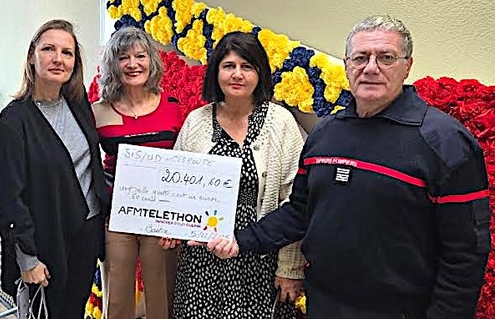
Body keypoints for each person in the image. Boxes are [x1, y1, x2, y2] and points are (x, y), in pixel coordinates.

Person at [207, 16, 491, 319]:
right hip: (324, 305)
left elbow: (465, 253)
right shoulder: (326, 133)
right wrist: (240, 240)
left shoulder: (445, 142)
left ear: (407, 66)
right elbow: (301, 211)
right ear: (347, 65)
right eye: (360, 58)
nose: (371, 68)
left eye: (386, 57)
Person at [161, 31, 305, 319]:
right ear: (216, 72)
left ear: (260, 73)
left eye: (247, 66)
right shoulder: (197, 122)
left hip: (260, 257)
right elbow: (174, 189)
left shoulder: (281, 122)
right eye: (228, 66)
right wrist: (169, 226)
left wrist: (290, 268)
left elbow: (296, 201)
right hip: (202, 260)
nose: (237, 75)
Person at [0, 19, 108, 319]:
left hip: (86, 233)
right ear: (32, 56)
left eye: (67, 53)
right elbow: (9, 198)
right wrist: (26, 258)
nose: (58, 59)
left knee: (74, 311)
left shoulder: (78, 104)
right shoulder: (12, 122)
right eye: (49, 49)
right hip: (46, 241)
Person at [93, 26, 183, 319]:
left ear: (151, 61)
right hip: (117, 214)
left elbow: (184, 162)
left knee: (162, 294)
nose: (133, 64)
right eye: (123, 57)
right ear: (113, 65)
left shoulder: (172, 107)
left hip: (162, 216)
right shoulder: (98, 111)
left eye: (140, 55)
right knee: (117, 294)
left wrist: (180, 220)